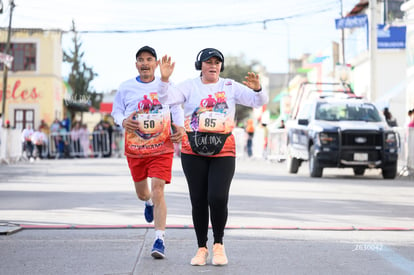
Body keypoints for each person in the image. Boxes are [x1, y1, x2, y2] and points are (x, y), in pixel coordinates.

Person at [158, 48, 268, 266]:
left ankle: (219, 244)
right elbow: (166, 98)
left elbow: (258, 101)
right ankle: (201, 248)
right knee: (198, 200)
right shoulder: (189, 85)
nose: (213, 65)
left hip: (223, 150)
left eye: (217, 62)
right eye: (209, 62)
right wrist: (164, 78)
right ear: (201, 65)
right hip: (193, 150)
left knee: (217, 197)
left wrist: (258, 89)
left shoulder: (230, 86)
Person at [111, 45, 184, 260]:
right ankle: (147, 202)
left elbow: (176, 108)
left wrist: (180, 127)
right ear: (136, 65)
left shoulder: (167, 86)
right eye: (141, 60)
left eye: (149, 59)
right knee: (144, 193)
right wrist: (122, 120)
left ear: (156, 64)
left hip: (161, 147)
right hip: (136, 149)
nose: (145, 63)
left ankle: (159, 239)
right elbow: (116, 110)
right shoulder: (126, 88)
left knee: (158, 189)